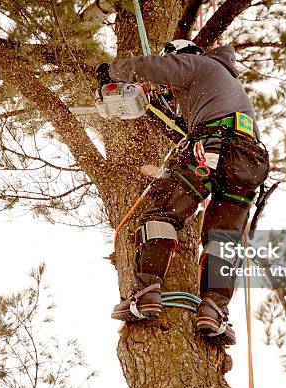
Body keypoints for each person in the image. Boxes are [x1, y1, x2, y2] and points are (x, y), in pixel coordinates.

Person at [97, 39, 269, 345]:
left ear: (179, 57)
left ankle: (146, 294)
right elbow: (183, 129)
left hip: (213, 147)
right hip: (248, 161)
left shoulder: (196, 64)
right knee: (223, 239)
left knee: (163, 213)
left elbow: (149, 67)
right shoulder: (220, 84)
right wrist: (155, 110)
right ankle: (213, 312)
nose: (171, 91)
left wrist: (112, 71)